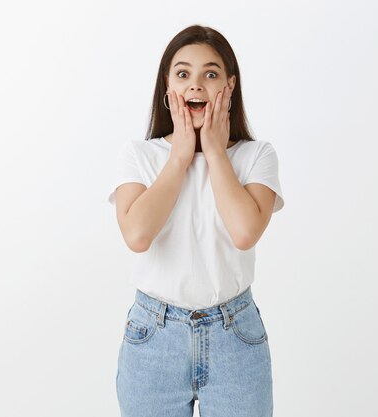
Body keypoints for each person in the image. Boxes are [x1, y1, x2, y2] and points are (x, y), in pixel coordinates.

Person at [108, 24, 284, 417]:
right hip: (154, 336)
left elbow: (244, 232)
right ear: (167, 87)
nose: (196, 85)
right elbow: (137, 235)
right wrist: (180, 157)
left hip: (234, 336)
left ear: (229, 85)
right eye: (183, 74)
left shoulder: (256, 156)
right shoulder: (139, 156)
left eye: (211, 73)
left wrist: (215, 153)